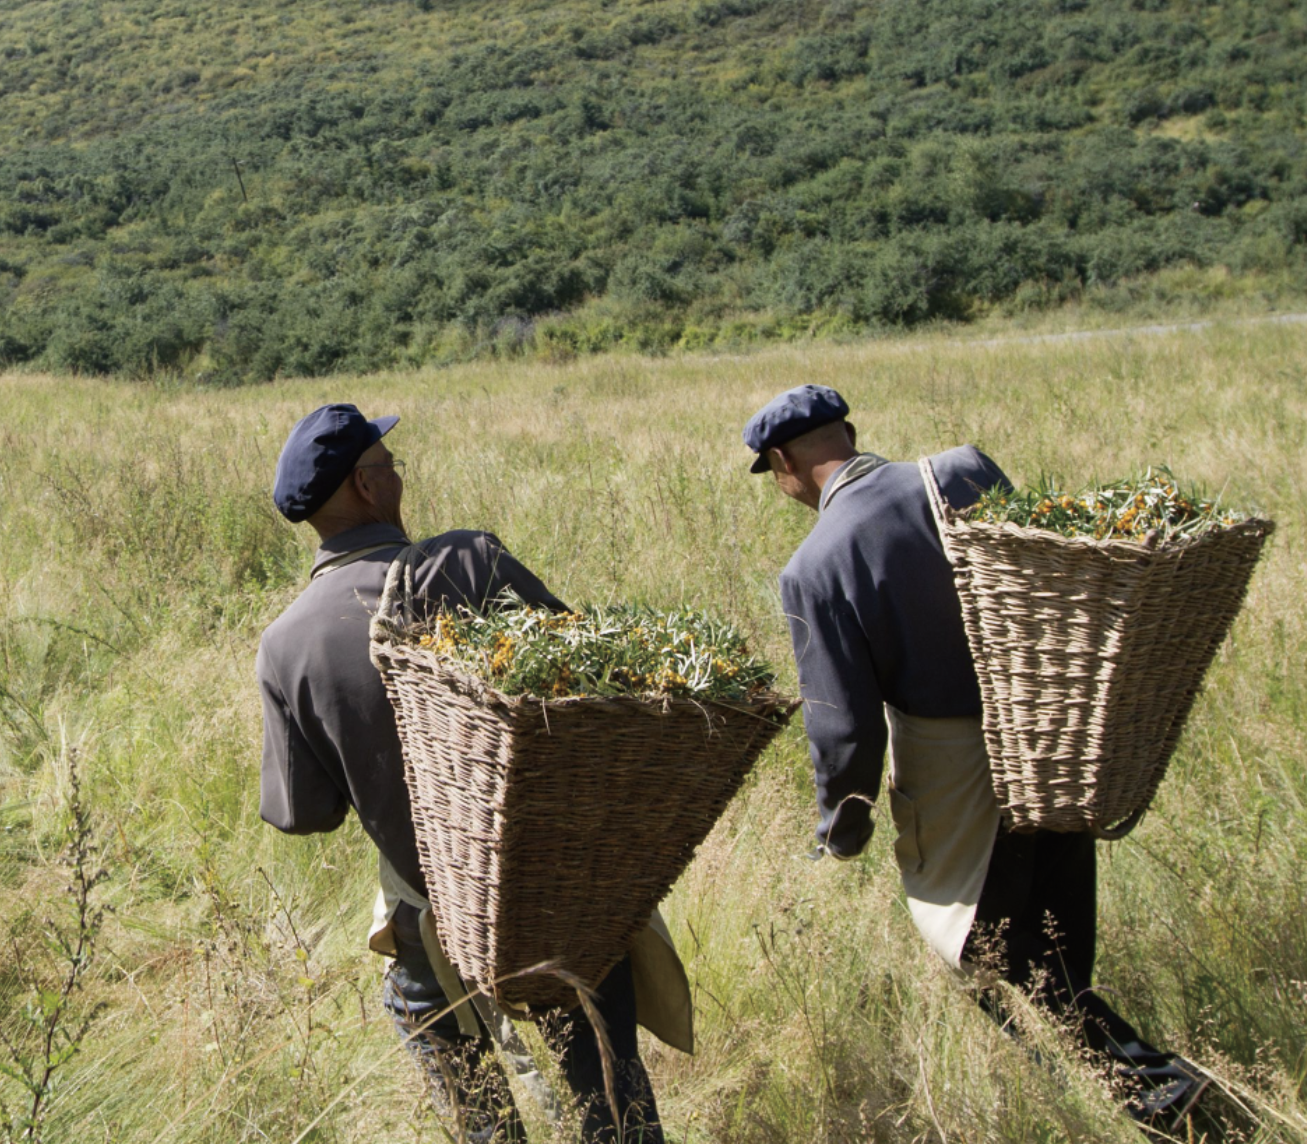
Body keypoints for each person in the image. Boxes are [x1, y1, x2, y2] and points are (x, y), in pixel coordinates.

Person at [743, 384, 1210, 1135]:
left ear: (782, 462)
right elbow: (1053, 581)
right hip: (1050, 733)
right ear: (850, 432)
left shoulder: (814, 567)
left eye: (777, 479)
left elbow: (847, 732)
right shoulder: (964, 472)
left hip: (956, 766)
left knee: (981, 946)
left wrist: (844, 830)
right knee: (1058, 934)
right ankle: (1129, 1098)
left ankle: (1158, 1090)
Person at [256, 403, 689, 1144]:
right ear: (366, 486)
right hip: (559, 892)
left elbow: (303, 814)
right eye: (389, 465)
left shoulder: (285, 643)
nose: (399, 474)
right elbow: (592, 679)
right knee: (611, 1094)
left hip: (431, 909)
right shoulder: (468, 562)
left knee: (472, 1098)